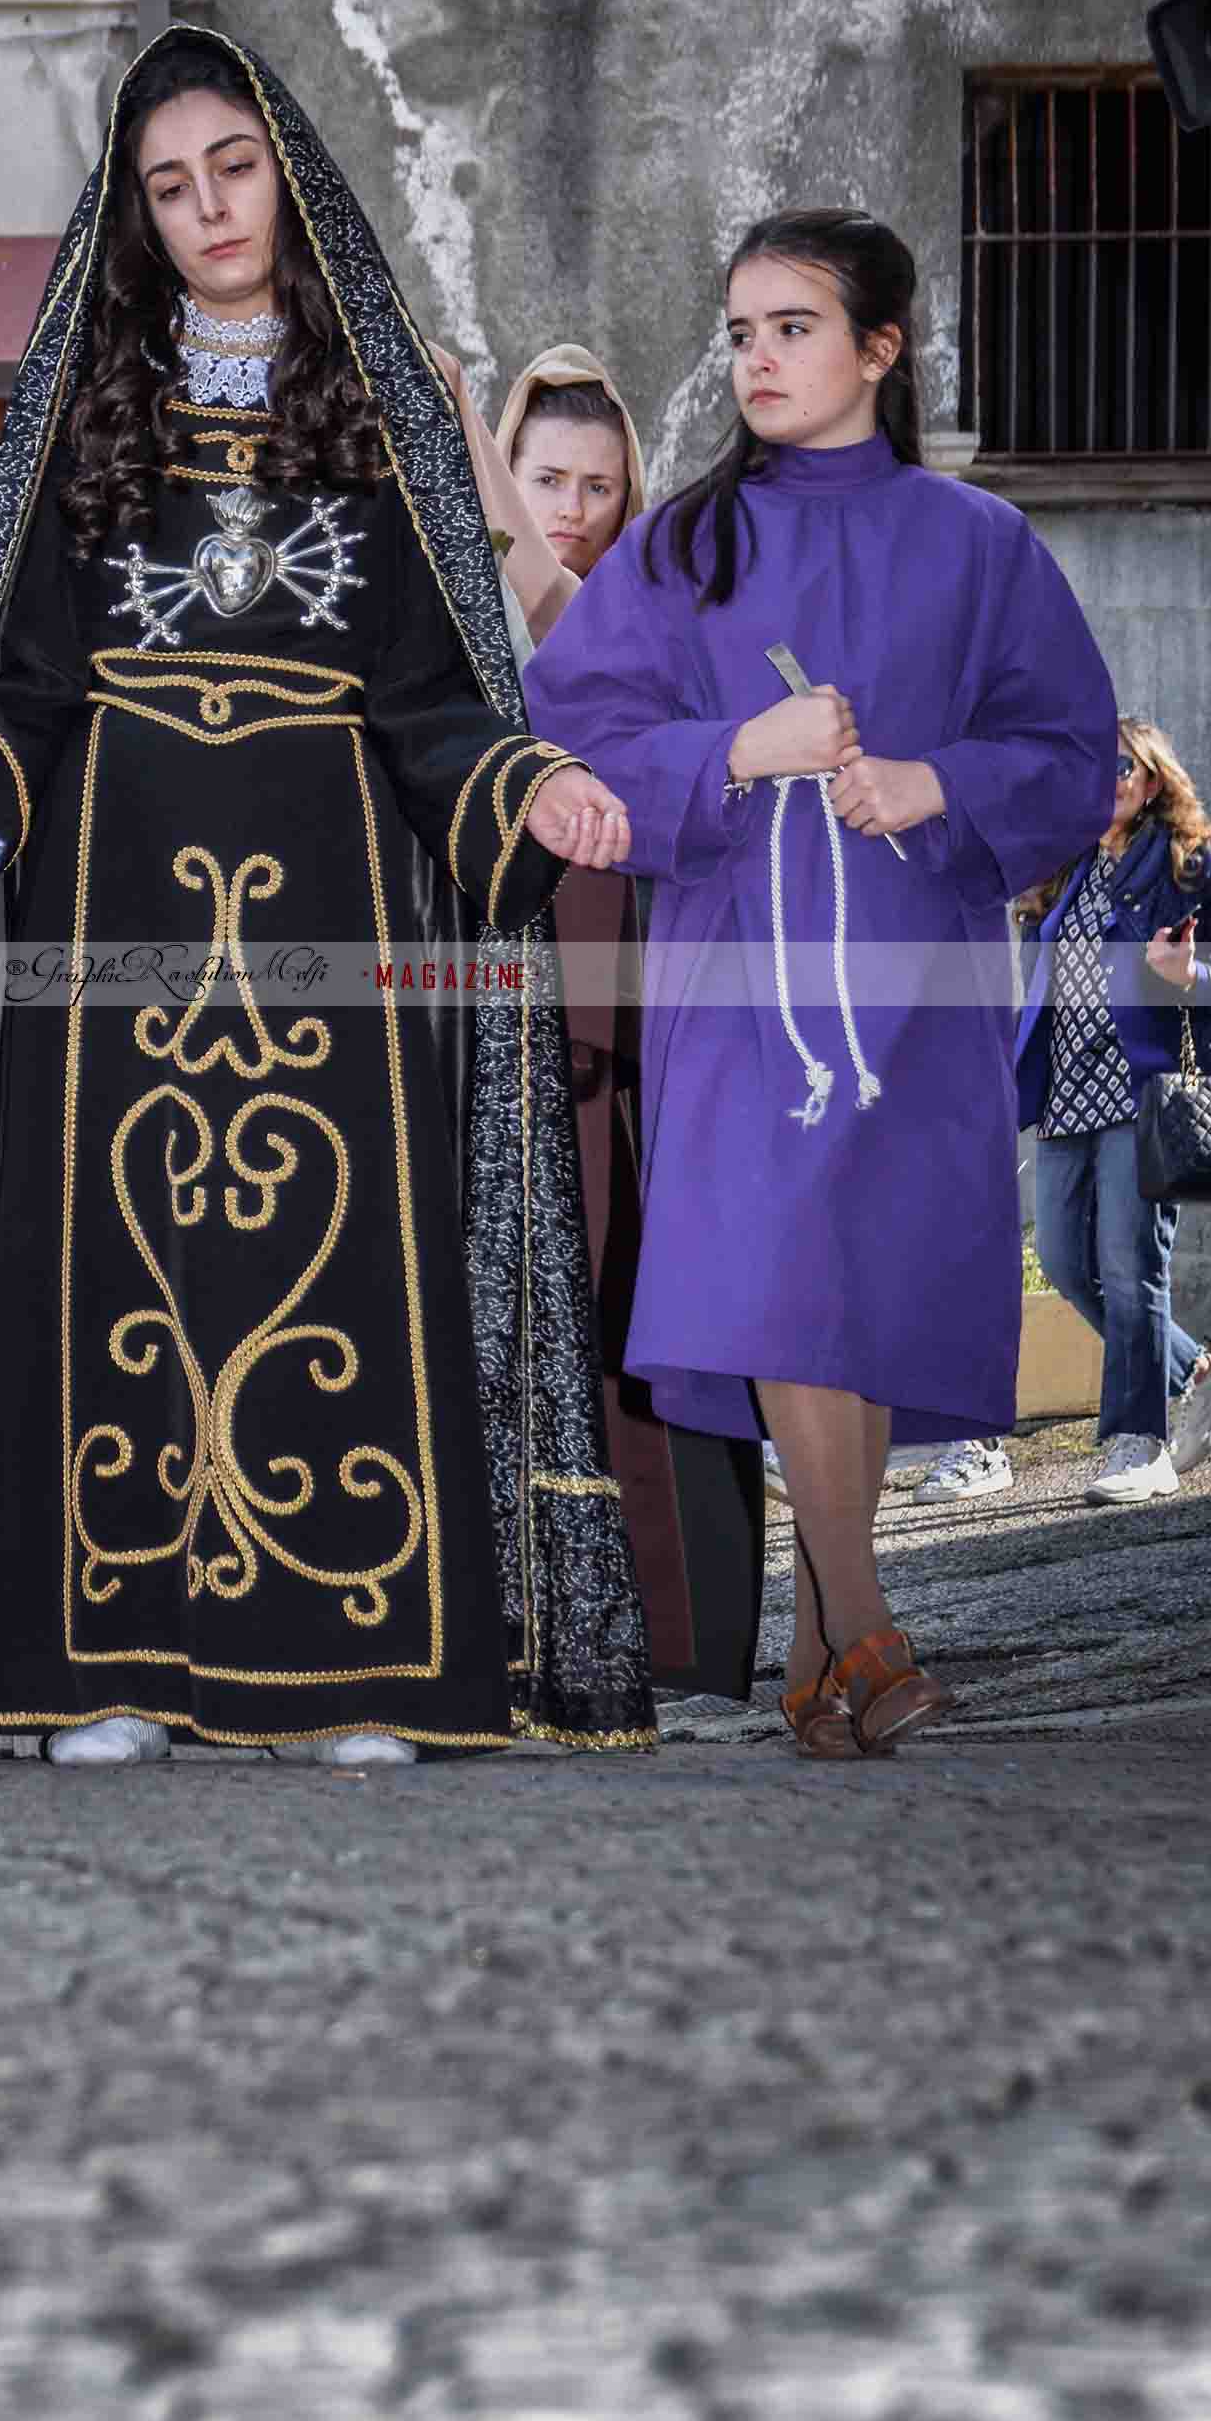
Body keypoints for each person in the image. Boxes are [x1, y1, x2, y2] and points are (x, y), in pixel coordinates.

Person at [0, 26, 650, 1770]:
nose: (206, 205)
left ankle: (353, 1669)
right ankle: (107, 1667)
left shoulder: (386, 409)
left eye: (233, 166)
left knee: (345, 1260)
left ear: (288, 171)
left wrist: (536, 784)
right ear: (134, 210)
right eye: (168, 181)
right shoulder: (77, 415)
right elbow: (21, 689)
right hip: (104, 915)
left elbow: (438, 700)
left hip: (330, 925)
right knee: (100, 1260)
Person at [527, 209, 1115, 1758]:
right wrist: (739, 749)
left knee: (849, 1294)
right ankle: (870, 1628)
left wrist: (938, 783)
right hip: (741, 989)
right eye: (741, 331)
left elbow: (1070, 754)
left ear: (880, 346)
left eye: (793, 326)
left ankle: (816, 1669)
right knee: (786, 1274)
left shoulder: (983, 547)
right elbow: (562, 732)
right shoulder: (680, 548)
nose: (759, 358)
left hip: (918, 987)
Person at [445, 345, 766, 1700]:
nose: (573, 505)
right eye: (547, 479)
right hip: (505, 1044)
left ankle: (683, 1650)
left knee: (658, 1345)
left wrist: (455, 420)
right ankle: (519, 1638)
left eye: (598, 482)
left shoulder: (640, 622)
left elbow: (545, 587)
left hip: (640, 1051)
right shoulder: (456, 643)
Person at [1012, 716, 1211, 1506]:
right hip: (1065, 1097)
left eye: (1124, 767)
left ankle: (1141, 1444)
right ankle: (1196, 1369)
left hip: (1140, 1091)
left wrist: (1186, 969)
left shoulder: (1188, 865)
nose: (1109, 781)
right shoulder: (1061, 873)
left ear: (1155, 779)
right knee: (1064, 1261)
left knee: (1134, 1272)